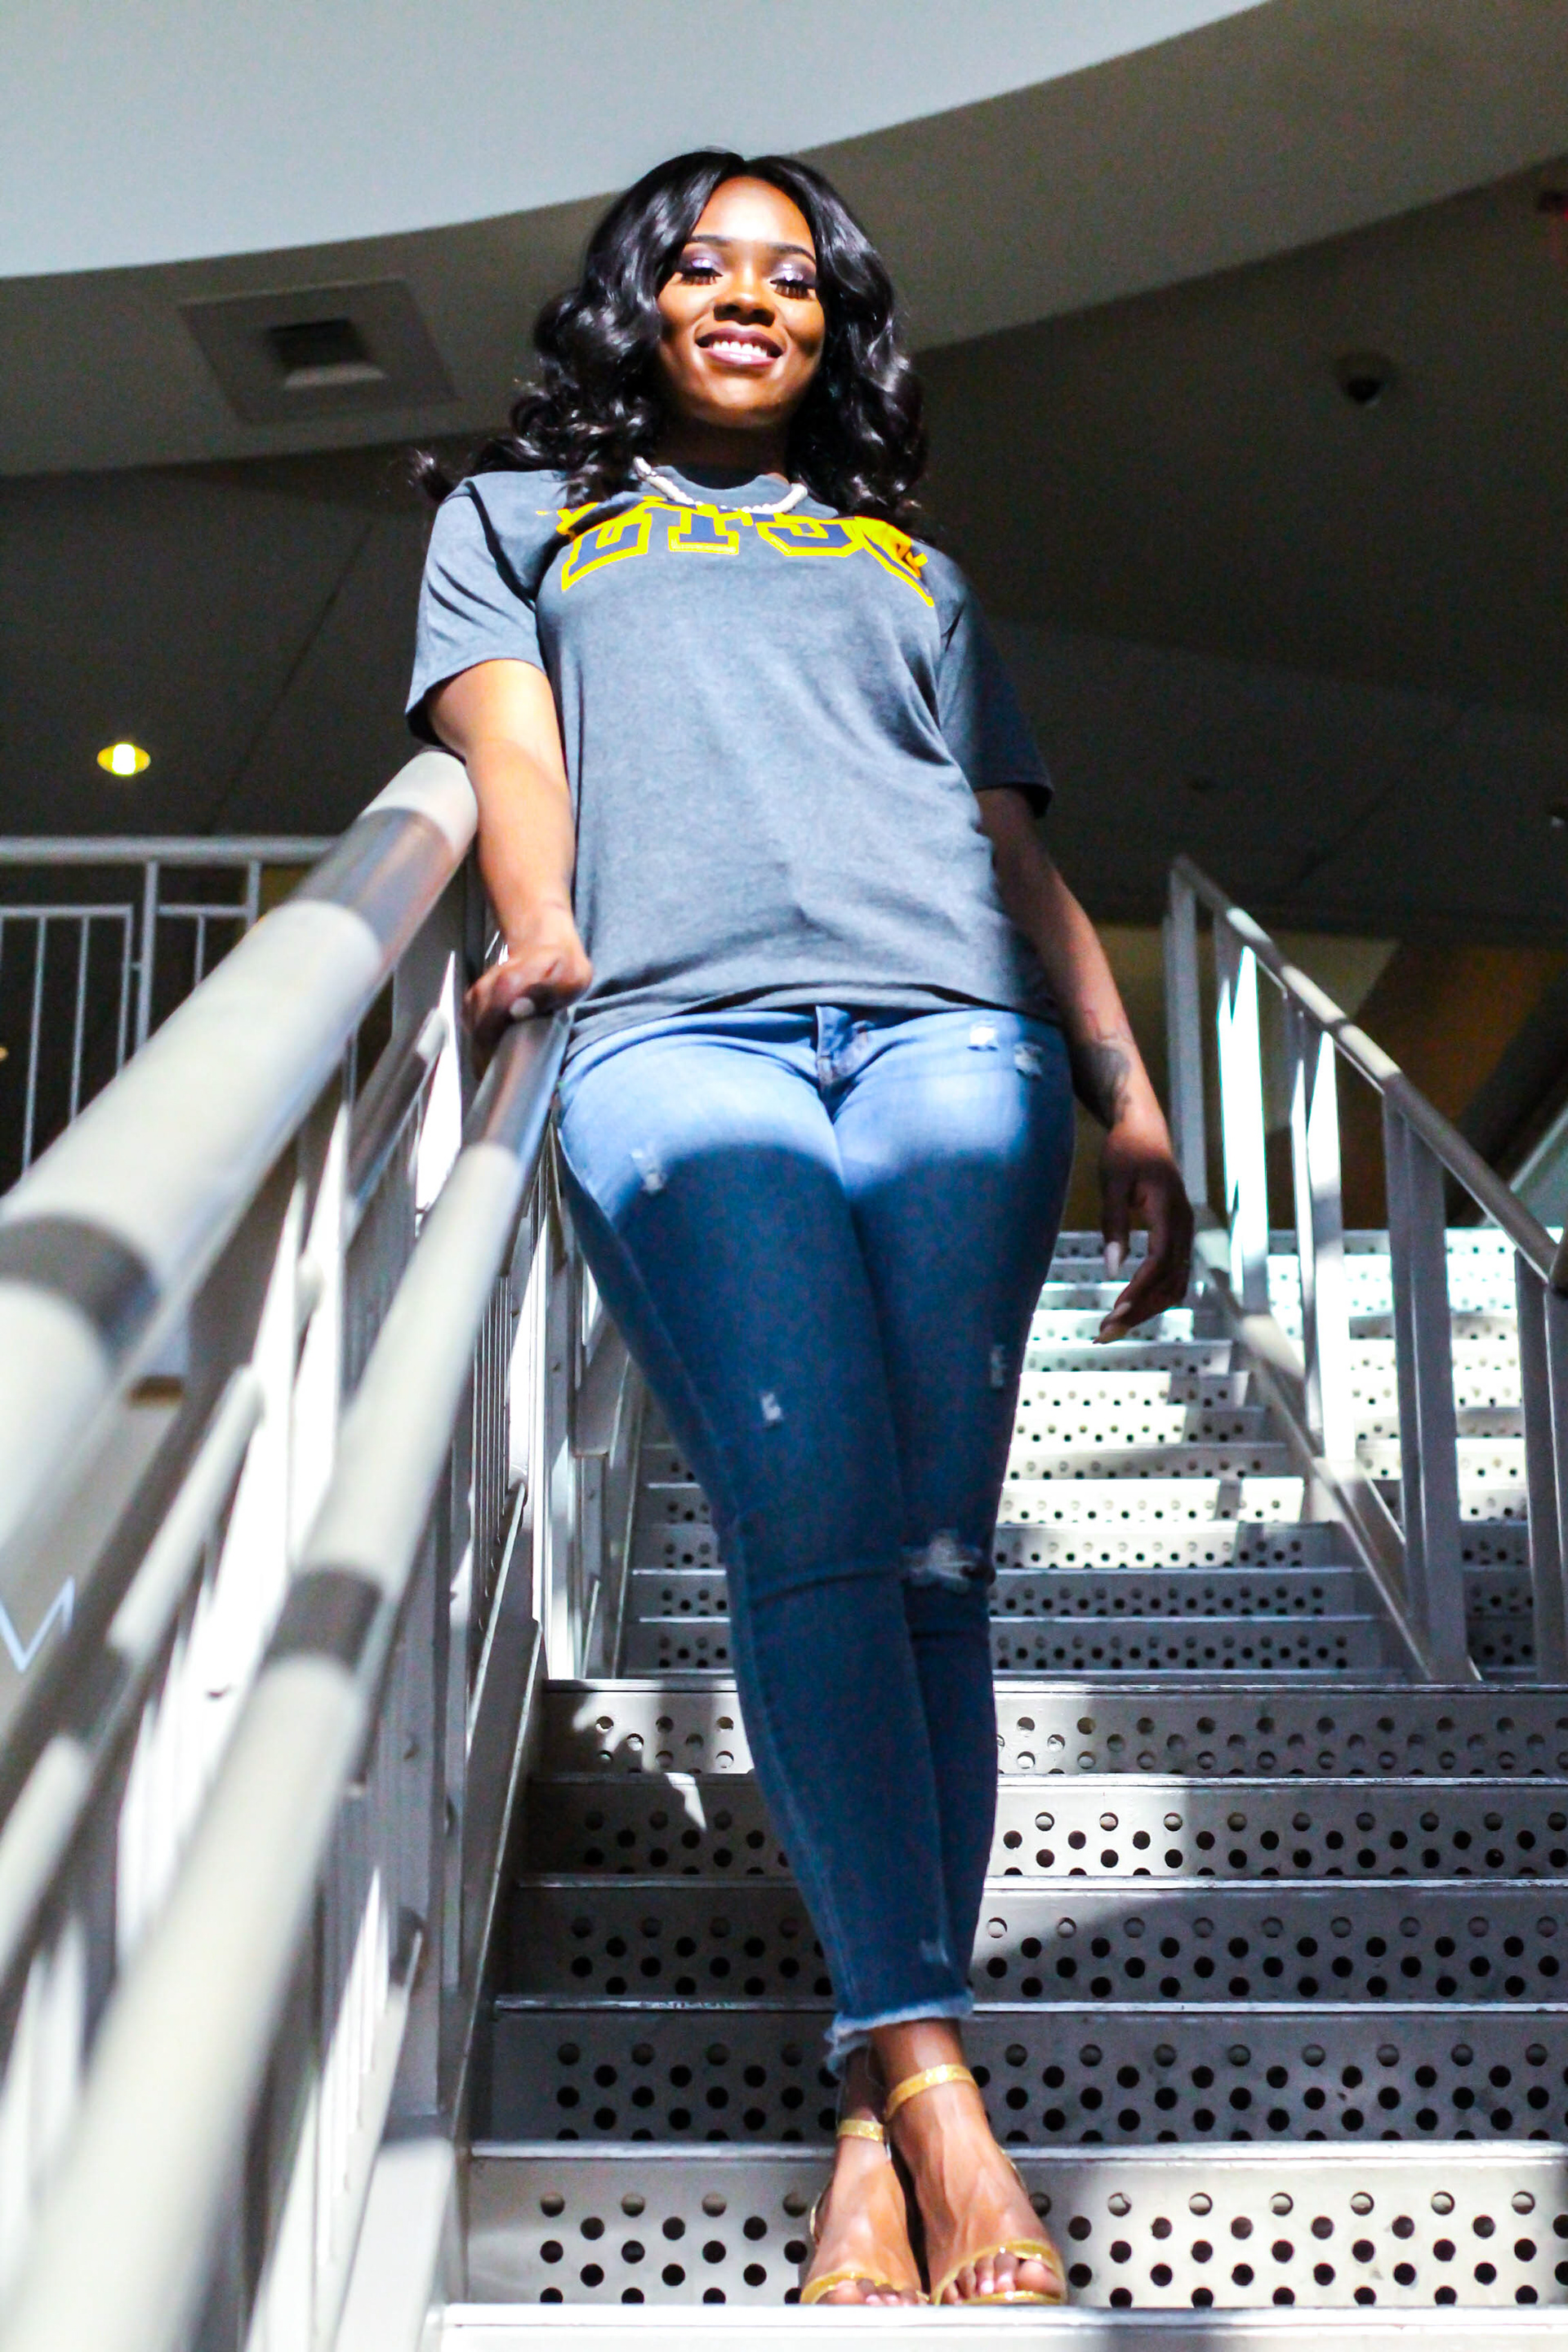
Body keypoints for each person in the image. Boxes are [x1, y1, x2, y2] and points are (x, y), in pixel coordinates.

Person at [408, 149, 1192, 2310]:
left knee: (935, 1570)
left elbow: (1007, 846)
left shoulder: (907, 563)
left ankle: (869, 2111)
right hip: (680, 1040)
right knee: (813, 1529)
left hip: (954, 1041)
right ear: (641, 300)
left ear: (835, 326)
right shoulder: (517, 522)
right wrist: (543, 928)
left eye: (793, 278)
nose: (749, 298)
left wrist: (1126, 1093)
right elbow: (512, 756)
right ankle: (944, 2097)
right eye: (705, 266)